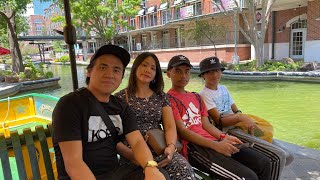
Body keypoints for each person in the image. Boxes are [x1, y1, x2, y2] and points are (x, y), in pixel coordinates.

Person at [52, 45, 168, 180]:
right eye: (103, 67)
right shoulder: (70, 105)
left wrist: (150, 166)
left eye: (116, 70)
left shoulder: (121, 107)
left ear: (121, 76)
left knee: (160, 175)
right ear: (89, 71)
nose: (110, 74)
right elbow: (74, 163)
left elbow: (136, 141)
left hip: (115, 172)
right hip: (80, 175)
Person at [166, 55, 272, 180]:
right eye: (178, 71)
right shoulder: (168, 100)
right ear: (168, 74)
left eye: (186, 71)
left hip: (214, 140)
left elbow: (206, 125)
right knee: (248, 177)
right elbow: (183, 132)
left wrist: (224, 137)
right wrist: (215, 145)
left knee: (263, 163)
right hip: (194, 148)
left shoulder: (196, 97)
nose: (183, 75)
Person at [198, 56, 293, 179]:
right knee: (279, 155)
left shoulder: (223, 88)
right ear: (203, 75)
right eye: (209, 72)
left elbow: (235, 109)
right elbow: (219, 121)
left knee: (289, 156)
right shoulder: (204, 95)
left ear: (221, 72)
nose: (214, 75)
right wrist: (240, 118)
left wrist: (243, 118)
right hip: (229, 130)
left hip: (239, 124)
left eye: (216, 71)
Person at [115, 52, 195, 180]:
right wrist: (132, 155)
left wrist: (170, 147)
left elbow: (169, 126)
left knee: (184, 170)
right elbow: (114, 136)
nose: (148, 70)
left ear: (155, 74)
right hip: (133, 153)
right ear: (135, 67)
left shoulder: (161, 96)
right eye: (144, 65)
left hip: (160, 149)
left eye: (153, 68)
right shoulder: (120, 98)